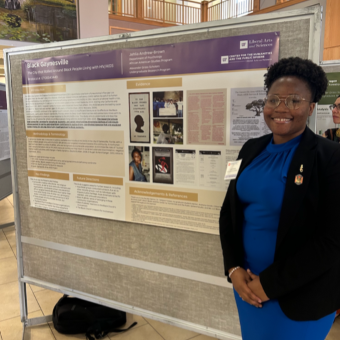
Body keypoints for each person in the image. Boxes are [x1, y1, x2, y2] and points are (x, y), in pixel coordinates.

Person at [219, 57, 340, 340]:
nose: (281, 108)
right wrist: (234, 268)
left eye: (294, 100)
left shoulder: (330, 158)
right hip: (248, 287)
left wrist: (270, 285)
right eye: (273, 99)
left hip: (300, 295)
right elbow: (229, 213)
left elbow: (333, 240)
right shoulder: (250, 149)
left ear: (311, 108)